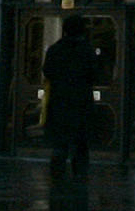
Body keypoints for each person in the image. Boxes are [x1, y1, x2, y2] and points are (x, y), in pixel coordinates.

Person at [41, 17, 102, 174]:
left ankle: (57, 175)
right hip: (81, 103)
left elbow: (47, 71)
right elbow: (94, 74)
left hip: (59, 102)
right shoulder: (87, 50)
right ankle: (79, 176)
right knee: (81, 145)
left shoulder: (55, 49)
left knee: (60, 145)